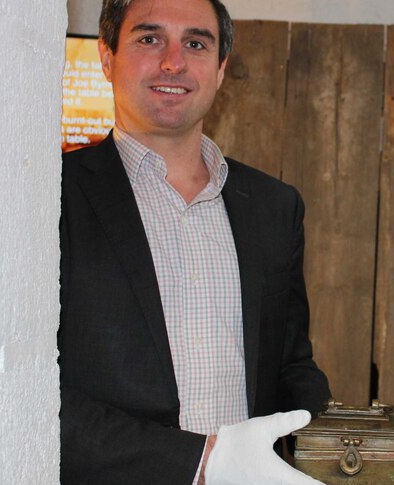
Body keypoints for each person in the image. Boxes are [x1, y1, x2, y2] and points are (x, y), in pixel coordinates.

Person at [58, 0, 331, 483]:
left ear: (221, 68)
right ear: (106, 57)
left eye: (196, 43)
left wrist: (346, 438)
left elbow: (290, 365)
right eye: (148, 38)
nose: (173, 62)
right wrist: (200, 463)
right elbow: (26, 388)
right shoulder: (51, 198)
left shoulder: (274, 206)